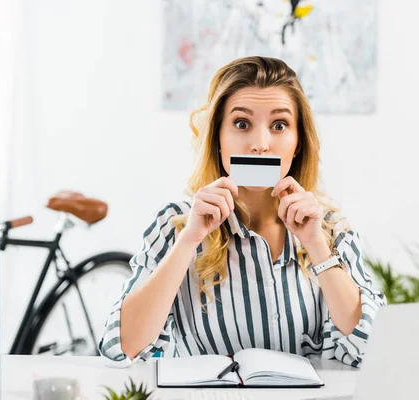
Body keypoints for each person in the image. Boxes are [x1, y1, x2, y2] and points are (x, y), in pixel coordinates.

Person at [99, 56, 386, 368]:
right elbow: (121, 346)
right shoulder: (176, 224)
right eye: (241, 124)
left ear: (298, 142)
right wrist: (190, 238)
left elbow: (373, 349)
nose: (260, 144)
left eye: (279, 125)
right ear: (218, 141)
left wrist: (316, 245)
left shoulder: (330, 229)